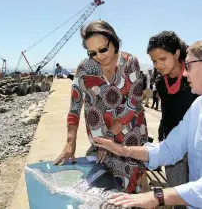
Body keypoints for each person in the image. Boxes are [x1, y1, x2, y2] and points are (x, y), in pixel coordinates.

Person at [92, 38, 202, 209]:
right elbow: (170, 149)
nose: (185, 73)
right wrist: (124, 150)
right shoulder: (200, 106)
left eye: (189, 66)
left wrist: (157, 197)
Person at [54, 20, 149, 194]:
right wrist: (70, 142)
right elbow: (75, 105)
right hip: (100, 140)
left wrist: (110, 136)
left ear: (114, 42)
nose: (98, 56)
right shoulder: (85, 67)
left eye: (103, 49)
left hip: (129, 136)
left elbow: (132, 105)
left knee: (129, 186)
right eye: (92, 52)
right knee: (104, 187)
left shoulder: (130, 63)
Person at [147, 31, 199, 205]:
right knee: (176, 193)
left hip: (196, 144)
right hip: (172, 145)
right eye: (154, 61)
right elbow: (166, 112)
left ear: (177, 53)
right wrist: (163, 136)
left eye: (162, 59)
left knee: (197, 192)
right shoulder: (161, 83)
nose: (158, 65)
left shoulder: (194, 78)